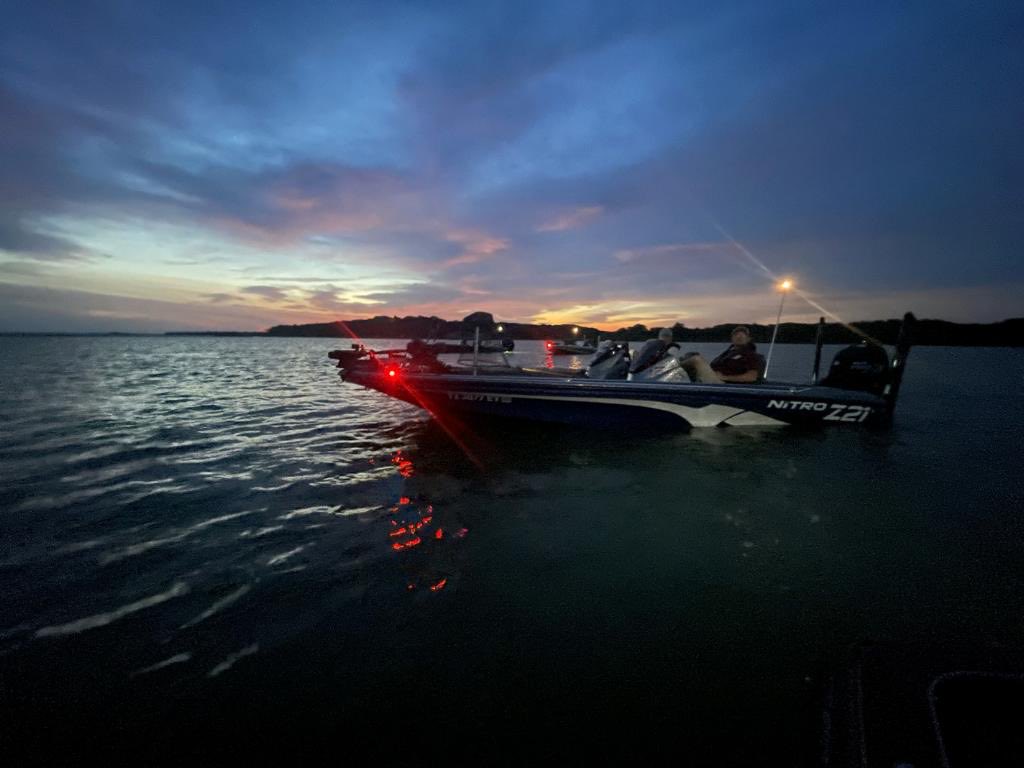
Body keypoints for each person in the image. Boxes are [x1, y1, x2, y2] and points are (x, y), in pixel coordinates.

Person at [679, 326, 761, 383]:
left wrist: (725, 377)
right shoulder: (729, 353)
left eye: (743, 335)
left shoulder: (750, 355)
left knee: (696, 359)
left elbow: (751, 377)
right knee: (688, 356)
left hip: (723, 384)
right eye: (736, 335)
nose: (739, 336)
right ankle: (673, 382)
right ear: (732, 338)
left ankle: (672, 371)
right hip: (713, 378)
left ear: (749, 339)